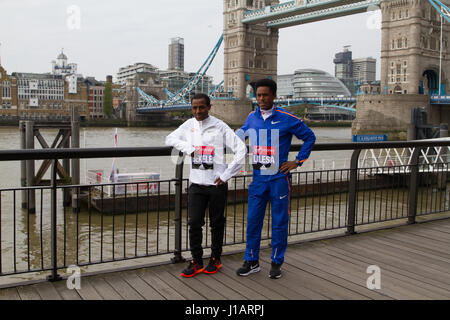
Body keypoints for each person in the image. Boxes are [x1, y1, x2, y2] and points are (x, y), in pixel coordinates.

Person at [236, 78, 316, 279]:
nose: (261, 99)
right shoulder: (251, 117)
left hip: (279, 179)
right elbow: (238, 138)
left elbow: (310, 137)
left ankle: (276, 262)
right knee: (253, 220)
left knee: (280, 222)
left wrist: (297, 161)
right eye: (258, 95)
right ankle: (252, 260)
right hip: (258, 179)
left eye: (265, 95)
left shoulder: (287, 118)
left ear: (274, 96)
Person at [165, 93, 247, 277]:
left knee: (217, 223)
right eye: (194, 107)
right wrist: (190, 149)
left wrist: (226, 175)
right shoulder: (189, 125)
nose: (198, 111)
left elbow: (242, 149)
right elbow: (169, 139)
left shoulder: (220, 126)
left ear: (209, 107)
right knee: (194, 223)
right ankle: (196, 261)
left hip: (217, 183)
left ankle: (215, 259)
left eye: (202, 107)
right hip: (196, 184)